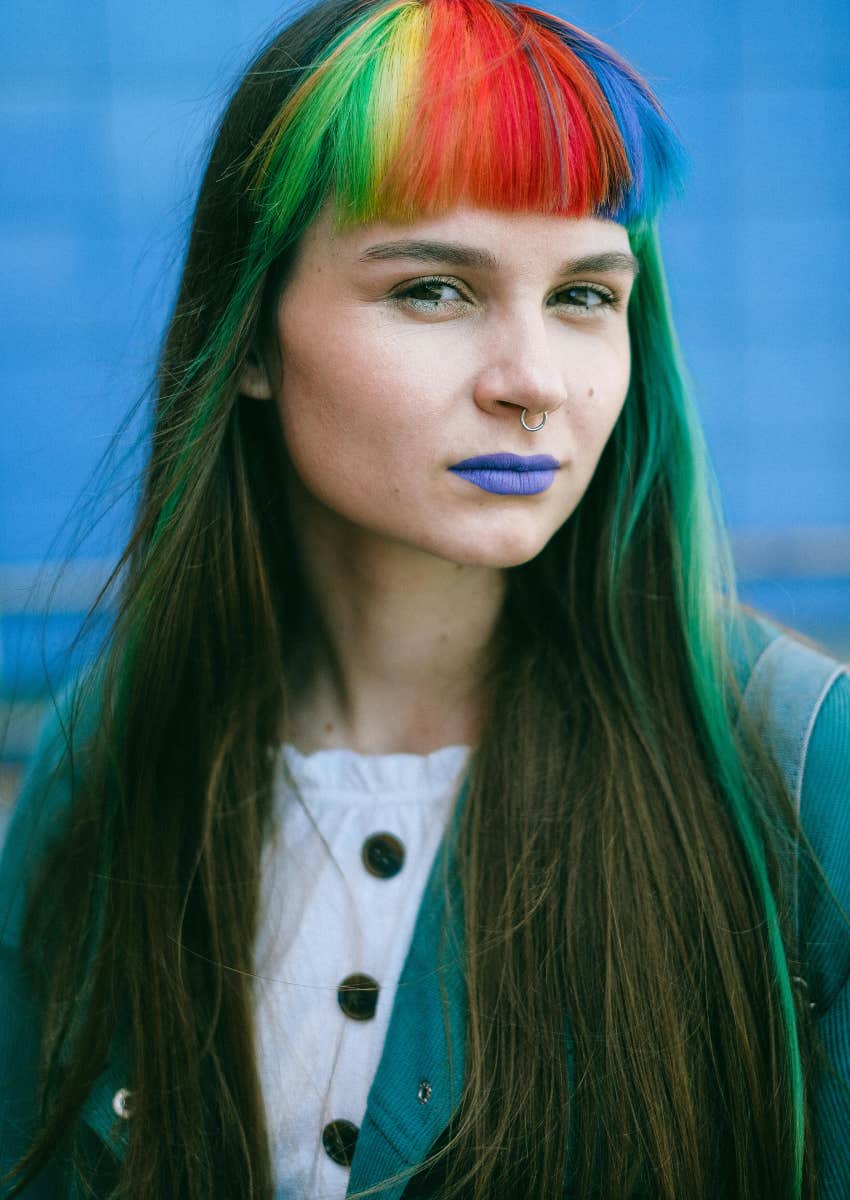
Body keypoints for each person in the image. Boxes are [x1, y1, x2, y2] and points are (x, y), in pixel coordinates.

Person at [1, 0, 848, 1196]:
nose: (533, 384)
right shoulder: (113, 747)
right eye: (434, 291)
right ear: (247, 340)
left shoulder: (803, 764)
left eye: (583, 296)